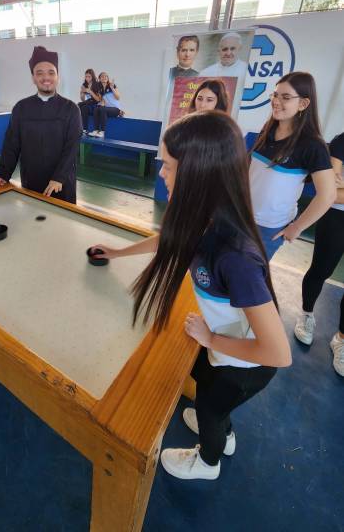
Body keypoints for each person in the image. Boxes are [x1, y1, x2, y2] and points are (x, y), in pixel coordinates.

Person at [89, 111, 291, 480]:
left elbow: (278, 353)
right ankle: (225, 434)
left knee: (211, 408)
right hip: (227, 351)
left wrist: (211, 339)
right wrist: (116, 253)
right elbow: (169, 240)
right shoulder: (206, 218)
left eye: (167, 166)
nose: (161, 174)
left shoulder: (235, 257)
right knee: (211, 397)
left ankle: (208, 462)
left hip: (246, 366)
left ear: (197, 173)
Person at [249, 72, 335, 260]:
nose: (276, 101)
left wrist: (297, 227)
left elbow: (328, 195)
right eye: (275, 95)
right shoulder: (268, 129)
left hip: (268, 228)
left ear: (303, 104)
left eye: (286, 97)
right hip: (241, 215)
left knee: (244, 275)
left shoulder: (313, 145)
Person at [0, 46, 82, 204]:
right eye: (39, 73)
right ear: (33, 78)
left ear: (58, 77)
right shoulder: (21, 108)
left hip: (61, 184)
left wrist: (59, 177)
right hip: (31, 181)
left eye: (51, 72)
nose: (46, 77)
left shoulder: (71, 109)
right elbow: (11, 144)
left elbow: (72, 148)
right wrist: (2, 174)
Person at [294, 131, 344, 376]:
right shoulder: (341, 142)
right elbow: (331, 192)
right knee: (320, 270)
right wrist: (335, 190)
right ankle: (306, 314)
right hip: (336, 217)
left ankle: (341, 338)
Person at [88, 72, 123, 138]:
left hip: (116, 109)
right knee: (96, 108)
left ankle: (102, 131)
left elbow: (118, 97)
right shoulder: (100, 88)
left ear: (107, 78)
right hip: (106, 109)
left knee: (102, 109)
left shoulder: (112, 86)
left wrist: (112, 88)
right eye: (102, 76)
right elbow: (101, 100)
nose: (104, 77)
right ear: (99, 78)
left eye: (106, 76)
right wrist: (90, 91)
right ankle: (96, 130)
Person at [78, 69, 102, 134]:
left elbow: (98, 99)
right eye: (86, 76)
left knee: (79, 105)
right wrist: (82, 93)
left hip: (95, 105)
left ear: (92, 77)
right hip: (88, 103)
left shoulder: (97, 84)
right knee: (83, 108)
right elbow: (83, 99)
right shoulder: (84, 84)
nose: (87, 78)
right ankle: (84, 129)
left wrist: (90, 92)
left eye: (89, 77)